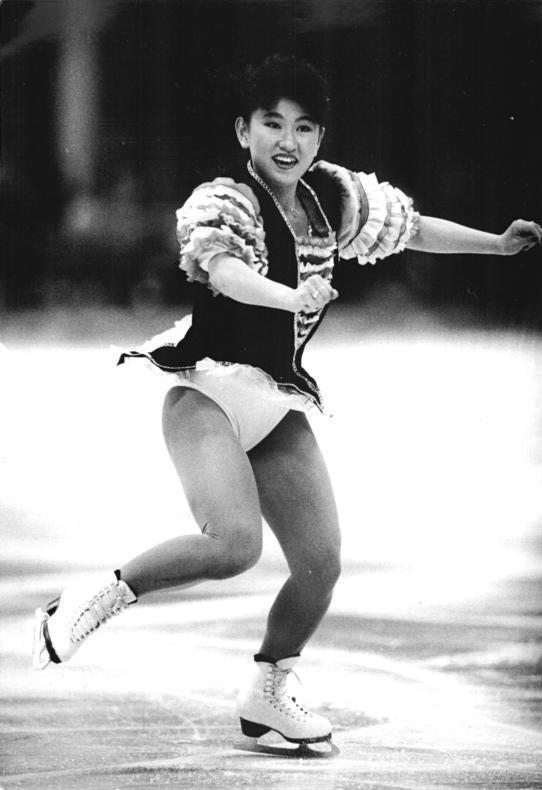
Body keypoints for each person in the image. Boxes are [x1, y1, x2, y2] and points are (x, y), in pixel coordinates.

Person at [33, 54, 541, 756]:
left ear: (320, 138)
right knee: (234, 546)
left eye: (304, 127)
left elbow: (412, 227)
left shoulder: (333, 197)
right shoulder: (226, 200)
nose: (287, 140)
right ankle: (88, 601)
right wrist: (289, 295)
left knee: (320, 563)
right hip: (206, 394)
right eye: (271, 123)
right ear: (244, 131)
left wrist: (498, 246)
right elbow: (224, 270)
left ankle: (268, 691)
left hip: (275, 404)